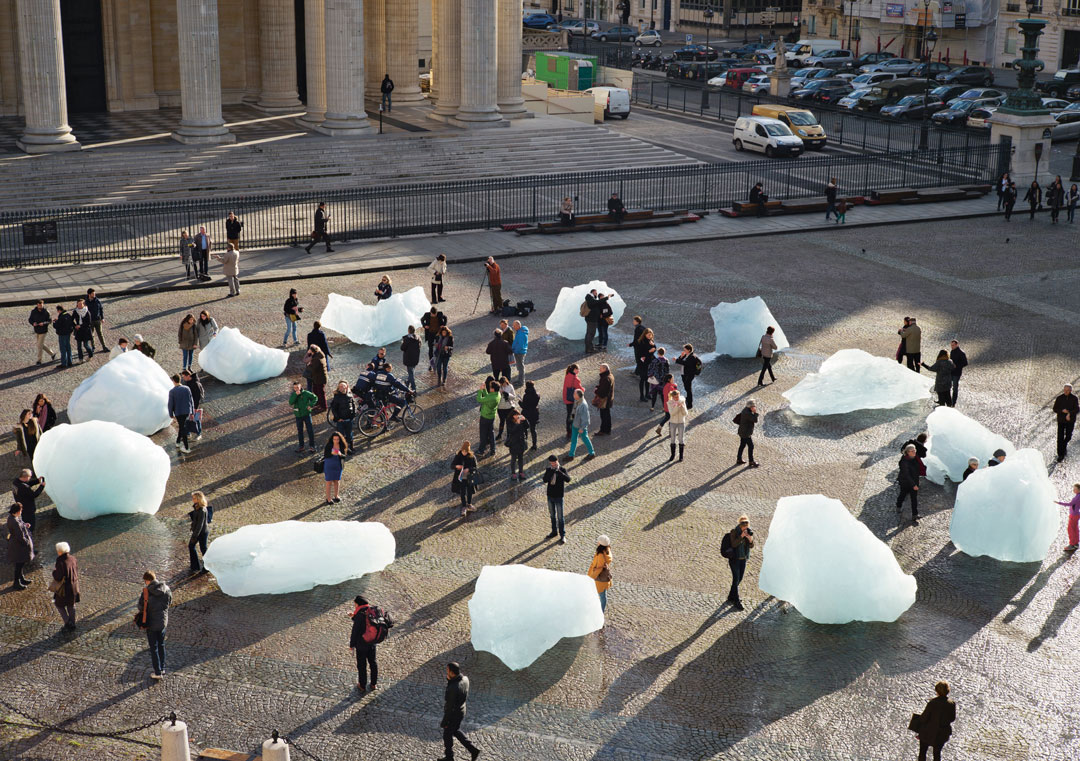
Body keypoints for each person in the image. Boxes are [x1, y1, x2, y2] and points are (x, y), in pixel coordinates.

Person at [440, 662, 480, 761]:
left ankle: (449, 757)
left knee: (447, 734)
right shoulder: (465, 679)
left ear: (452, 672)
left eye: (447, 670)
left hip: (453, 714)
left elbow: (449, 706)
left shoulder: (453, 688)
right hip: (461, 710)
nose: (446, 672)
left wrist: (444, 722)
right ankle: (473, 750)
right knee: (456, 731)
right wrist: (450, 681)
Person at [136, 570, 172, 679]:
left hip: (151, 622)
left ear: (147, 580)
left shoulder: (146, 592)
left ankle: (157, 672)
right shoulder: (166, 589)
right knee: (161, 645)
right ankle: (162, 668)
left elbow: (140, 607)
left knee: (154, 647)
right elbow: (169, 602)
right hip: (162, 622)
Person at [914, 681, 956, 761]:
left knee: (922, 752)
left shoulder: (932, 703)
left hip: (928, 732)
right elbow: (952, 718)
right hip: (942, 733)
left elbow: (924, 718)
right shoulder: (951, 703)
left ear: (937, 691)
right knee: (937, 754)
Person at [349, 595, 380, 692]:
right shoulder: (370, 611)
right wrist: (353, 617)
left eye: (355, 604)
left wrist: (352, 644)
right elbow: (365, 624)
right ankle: (373, 684)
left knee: (362, 665)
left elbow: (356, 630)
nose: (355, 606)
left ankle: (362, 685)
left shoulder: (359, 614)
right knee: (373, 663)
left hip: (361, 644)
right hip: (372, 642)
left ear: (358, 604)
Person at [723, 516, 754, 610]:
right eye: (743, 524)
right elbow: (734, 544)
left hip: (743, 559)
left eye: (746, 525)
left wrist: (750, 539)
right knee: (736, 578)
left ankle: (731, 596)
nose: (745, 527)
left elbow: (751, 546)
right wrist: (741, 536)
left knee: (740, 578)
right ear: (740, 525)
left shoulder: (748, 532)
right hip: (735, 559)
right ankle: (736, 600)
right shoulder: (734, 532)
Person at [52, 542, 79, 630]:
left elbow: (58, 576)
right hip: (74, 586)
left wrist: (53, 572)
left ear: (60, 551)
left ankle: (68, 622)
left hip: (64, 588)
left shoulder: (60, 561)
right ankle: (73, 623)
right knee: (71, 605)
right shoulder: (73, 558)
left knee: (59, 604)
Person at [543, 455, 571, 543]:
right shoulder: (548, 470)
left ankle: (562, 535)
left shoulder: (562, 469)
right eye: (551, 463)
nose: (553, 465)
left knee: (560, 517)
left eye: (554, 463)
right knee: (552, 515)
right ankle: (554, 532)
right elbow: (544, 480)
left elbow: (568, 479)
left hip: (559, 496)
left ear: (557, 461)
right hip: (550, 496)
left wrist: (560, 473)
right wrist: (551, 473)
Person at [7, 503, 34, 590]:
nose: (21, 512)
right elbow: (20, 536)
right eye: (21, 510)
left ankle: (21, 579)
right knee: (19, 564)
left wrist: (24, 525)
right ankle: (16, 583)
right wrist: (27, 543)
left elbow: (20, 525)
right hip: (19, 547)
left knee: (20, 564)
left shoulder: (12, 517)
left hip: (16, 545)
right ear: (18, 511)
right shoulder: (14, 522)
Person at [565, 388, 596, 462]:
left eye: (574, 394)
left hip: (580, 426)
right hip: (575, 424)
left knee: (585, 439)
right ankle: (571, 455)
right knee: (573, 440)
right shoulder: (578, 401)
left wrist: (582, 428)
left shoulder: (583, 405)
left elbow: (586, 418)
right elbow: (575, 411)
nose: (573, 395)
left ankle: (592, 453)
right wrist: (572, 419)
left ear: (578, 395)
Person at [289, 380, 318, 454]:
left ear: (300, 386)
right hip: (298, 415)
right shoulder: (293, 394)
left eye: (297, 387)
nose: (296, 389)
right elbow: (290, 402)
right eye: (295, 388)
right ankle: (301, 446)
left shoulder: (306, 393)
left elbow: (315, 398)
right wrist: (296, 395)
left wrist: (311, 405)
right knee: (300, 431)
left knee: (310, 430)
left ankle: (312, 446)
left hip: (306, 414)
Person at [12, 469, 45, 533]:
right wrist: (41, 486)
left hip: (22, 506)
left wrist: (37, 481)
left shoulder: (15, 482)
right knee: (30, 525)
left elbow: (27, 484)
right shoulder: (24, 487)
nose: (30, 478)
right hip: (28, 508)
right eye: (30, 477)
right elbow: (34, 494)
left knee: (25, 520)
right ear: (26, 477)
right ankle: (29, 536)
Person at [168, 374, 194, 454]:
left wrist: (171, 414)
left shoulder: (172, 391)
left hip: (178, 412)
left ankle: (186, 447)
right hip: (187, 411)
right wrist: (192, 411)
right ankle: (178, 442)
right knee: (182, 426)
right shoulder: (187, 388)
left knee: (182, 428)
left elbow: (170, 404)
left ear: (173, 381)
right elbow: (191, 400)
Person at [451, 441, 479, 517]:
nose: (464, 453)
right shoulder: (458, 456)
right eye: (463, 451)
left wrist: (469, 469)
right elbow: (452, 465)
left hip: (469, 478)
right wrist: (457, 467)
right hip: (461, 478)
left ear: (468, 451)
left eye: (466, 451)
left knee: (469, 491)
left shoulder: (472, 457)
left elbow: (475, 467)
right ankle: (464, 506)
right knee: (462, 492)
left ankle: (469, 504)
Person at [897, 443, 921, 525]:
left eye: (915, 450)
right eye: (912, 451)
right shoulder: (904, 462)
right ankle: (898, 505)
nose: (914, 452)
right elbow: (907, 475)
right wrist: (913, 485)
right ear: (907, 452)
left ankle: (915, 515)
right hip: (905, 482)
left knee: (914, 498)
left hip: (914, 481)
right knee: (903, 494)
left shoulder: (915, 458)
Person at [587, 536, 613, 612]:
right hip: (603, 579)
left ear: (601, 544)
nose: (597, 542)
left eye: (598, 541)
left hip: (599, 579)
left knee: (601, 595)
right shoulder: (607, 550)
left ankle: (600, 611)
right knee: (602, 595)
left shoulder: (601, 555)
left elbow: (599, 568)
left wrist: (591, 577)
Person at [1054, 384, 1079, 461]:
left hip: (1070, 421)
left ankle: (1063, 446)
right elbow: (1055, 409)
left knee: (1068, 436)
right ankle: (1060, 454)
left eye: (1067, 390)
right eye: (1065, 390)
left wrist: (1069, 413)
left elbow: (1077, 409)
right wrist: (1062, 411)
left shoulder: (1074, 398)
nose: (1066, 391)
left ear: (1071, 390)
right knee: (1060, 437)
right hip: (1061, 420)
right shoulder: (1059, 398)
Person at [476, 380, 500, 458]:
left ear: (493, 389)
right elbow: (487, 397)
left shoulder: (491, 397)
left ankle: (481, 450)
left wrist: (480, 390)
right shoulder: (497, 394)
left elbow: (480, 399)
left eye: (490, 387)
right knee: (491, 433)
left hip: (485, 417)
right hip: (491, 416)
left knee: (483, 434)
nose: (489, 388)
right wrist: (484, 389)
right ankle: (493, 449)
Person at [329, 381, 356, 450]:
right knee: (341, 435)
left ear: (346, 387)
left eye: (342, 386)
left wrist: (353, 415)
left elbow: (353, 405)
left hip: (348, 419)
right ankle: (342, 448)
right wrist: (338, 418)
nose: (341, 388)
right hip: (341, 420)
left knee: (349, 434)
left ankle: (350, 447)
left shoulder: (350, 395)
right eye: (340, 386)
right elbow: (334, 409)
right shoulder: (337, 397)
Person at [28, 299, 56, 365]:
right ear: (37, 305)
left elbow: (50, 321)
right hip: (37, 330)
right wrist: (33, 323)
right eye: (39, 305)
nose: (40, 306)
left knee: (39, 346)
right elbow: (30, 319)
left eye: (41, 305)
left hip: (43, 330)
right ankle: (52, 353)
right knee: (40, 345)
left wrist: (43, 323)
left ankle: (39, 360)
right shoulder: (34, 311)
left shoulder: (46, 312)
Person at [323, 432, 348, 504]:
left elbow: (344, 456)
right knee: (329, 482)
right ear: (332, 439)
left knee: (337, 481)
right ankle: (328, 498)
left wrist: (340, 454)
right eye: (334, 439)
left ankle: (336, 496)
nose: (336, 440)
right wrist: (331, 453)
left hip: (338, 465)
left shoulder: (342, 445)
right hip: (329, 465)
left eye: (337, 439)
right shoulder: (329, 445)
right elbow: (326, 455)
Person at [188, 492, 209, 572]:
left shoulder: (202, 510)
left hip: (202, 533)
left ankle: (207, 567)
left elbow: (200, 525)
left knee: (203, 549)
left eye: (194, 498)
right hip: (198, 532)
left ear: (198, 499)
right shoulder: (197, 507)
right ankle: (195, 566)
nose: (192, 499)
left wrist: (194, 536)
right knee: (191, 546)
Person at [562, 364, 584, 438]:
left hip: (567, 398)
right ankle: (573, 431)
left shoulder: (567, 376)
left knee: (569, 415)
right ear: (574, 369)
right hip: (573, 400)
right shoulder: (575, 379)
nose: (579, 371)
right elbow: (580, 389)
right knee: (574, 416)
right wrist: (584, 389)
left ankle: (568, 431)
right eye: (578, 369)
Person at [675, 344, 700, 409]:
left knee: (688, 389)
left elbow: (685, 363)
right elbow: (679, 361)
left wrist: (678, 360)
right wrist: (681, 356)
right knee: (686, 387)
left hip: (688, 375)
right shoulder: (686, 355)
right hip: (684, 374)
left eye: (685, 350)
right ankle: (688, 398)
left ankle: (690, 403)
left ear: (689, 350)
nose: (684, 351)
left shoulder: (692, 357)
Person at [634, 327, 656, 401]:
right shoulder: (641, 342)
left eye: (651, 335)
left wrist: (654, 346)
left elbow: (653, 349)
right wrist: (649, 352)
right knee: (642, 379)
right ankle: (641, 396)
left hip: (649, 363)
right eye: (648, 335)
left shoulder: (651, 341)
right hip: (642, 364)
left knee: (648, 379)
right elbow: (640, 354)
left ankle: (647, 394)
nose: (650, 336)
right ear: (645, 334)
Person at [1057, 483, 1080, 553]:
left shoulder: (1077, 497)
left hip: (1074, 515)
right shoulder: (1078, 496)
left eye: (1075, 489)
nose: (1073, 490)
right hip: (1076, 514)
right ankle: (1076, 543)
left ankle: (1072, 544)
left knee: (1070, 529)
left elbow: (1070, 504)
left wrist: (1059, 503)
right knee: (1075, 529)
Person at [181, 369, 204, 439]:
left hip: (195, 405)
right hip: (190, 404)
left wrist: (195, 408)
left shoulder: (195, 384)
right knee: (188, 419)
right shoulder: (189, 382)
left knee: (196, 419)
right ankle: (188, 433)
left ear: (188, 376)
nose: (183, 378)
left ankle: (199, 433)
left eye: (184, 377)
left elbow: (198, 396)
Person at [667, 388, 689, 462]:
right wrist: (677, 407)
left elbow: (685, 413)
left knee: (681, 439)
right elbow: (672, 413)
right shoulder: (670, 403)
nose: (677, 398)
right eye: (676, 397)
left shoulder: (682, 401)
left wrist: (682, 407)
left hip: (681, 422)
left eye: (678, 397)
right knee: (672, 439)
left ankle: (681, 456)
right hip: (673, 422)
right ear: (673, 397)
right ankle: (672, 455)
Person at [735, 400, 759, 467]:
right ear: (750, 406)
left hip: (742, 431)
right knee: (751, 446)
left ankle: (739, 459)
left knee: (742, 445)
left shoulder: (746, 410)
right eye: (753, 406)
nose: (754, 407)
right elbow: (755, 420)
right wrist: (755, 413)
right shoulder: (748, 414)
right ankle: (751, 461)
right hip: (746, 433)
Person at [305, 345, 328, 412]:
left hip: (319, 378)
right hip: (318, 378)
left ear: (312, 351)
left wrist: (308, 365)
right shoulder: (319, 355)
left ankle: (323, 406)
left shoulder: (316, 359)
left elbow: (313, 369)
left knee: (320, 393)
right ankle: (319, 403)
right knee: (316, 390)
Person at [506, 410, 528, 480]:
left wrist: (525, 420)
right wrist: (517, 424)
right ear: (513, 416)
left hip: (521, 442)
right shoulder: (509, 422)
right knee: (513, 459)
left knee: (521, 458)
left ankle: (521, 472)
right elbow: (511, 431)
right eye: (516, 415)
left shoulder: (521, 420)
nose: (518, 416)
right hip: (514, 443)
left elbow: (527, 426)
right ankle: (513, 473)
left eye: (518, 415)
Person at [584, 289, 606, 353]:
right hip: (592, 320)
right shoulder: (590, 298)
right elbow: (596, 302)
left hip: (591, 319)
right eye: (595, 293)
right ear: (592, 292)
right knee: (590, 334)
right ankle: (589, 349)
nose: (596, 294)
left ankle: (589, 348)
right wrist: (607, 297)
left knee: (589, 334)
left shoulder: (591, 298)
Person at [399, 326, 421, 391]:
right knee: (411, 372)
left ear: (408, 331)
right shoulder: (418, 338)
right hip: (415, 358)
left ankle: (414, 388)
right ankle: (407, 382)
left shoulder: (406, 339)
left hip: (408, 358)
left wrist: (403, 343)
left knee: (411, 373)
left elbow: (402, 348)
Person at [495, 376, 517, 441]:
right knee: (502, 422)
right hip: (500, 408)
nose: (503, 385)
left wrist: (507, 394)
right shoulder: (498, 387)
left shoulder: (510, 386)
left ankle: (508, 435)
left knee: (508, 422)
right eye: (501, 384)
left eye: (503, 383)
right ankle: (500, 434)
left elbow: (514, 397)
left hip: (508, 407)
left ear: (506, 382)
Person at [72, 298, 94, 362]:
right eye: (78, 304)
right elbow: (71, 320)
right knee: (79, 346)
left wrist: (80, 326)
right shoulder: (75, 311)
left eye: (81, 304)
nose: (79, 305)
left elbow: (89, 323)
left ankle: (90, 355)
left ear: (83, 304)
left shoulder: (87, 312)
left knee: (86, 345)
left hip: (85, 331)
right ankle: (80, 359)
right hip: (79, 331)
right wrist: (75, 325)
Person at [595, 364, 614, 435]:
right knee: (607, 415)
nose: (600, 369)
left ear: (605, 369)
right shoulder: (610, 376)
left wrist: (596, 391)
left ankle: (603, 430)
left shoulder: (606, 378)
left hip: (604, 400)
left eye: (601, 368)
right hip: (608, 400)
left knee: (604, 415)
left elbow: (603, 392)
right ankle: (607, 430)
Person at [521, 380, 540, 450]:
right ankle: (534, 444)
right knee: (533, 429)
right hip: (534, 413)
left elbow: (524, 406)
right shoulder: (537, 395)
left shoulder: (526, 396)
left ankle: (525, 443)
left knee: (524, 428)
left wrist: (520, 403)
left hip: (526, 413)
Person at [947, 340, 967, 407]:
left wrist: (957, 366)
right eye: (951, 345)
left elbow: (965, 363)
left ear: (957, 345)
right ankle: (948, 401)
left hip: (957, 373)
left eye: (953, 345)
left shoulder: (961, 353)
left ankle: (953, 402)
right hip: (951, 372)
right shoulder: (952, 351)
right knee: (948, 386)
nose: (952, 347)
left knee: (955, 387)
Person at [511, 320, 529, 386]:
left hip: (519, 352)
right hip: (519, 352)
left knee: (521, 367)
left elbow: (520, 345)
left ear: (518, 325)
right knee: (519, 367)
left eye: (514, 326)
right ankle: (520, 380)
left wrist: (514, 350)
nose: (513, 327)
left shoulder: (521, 333)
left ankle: (521, 382)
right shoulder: (520, 331)